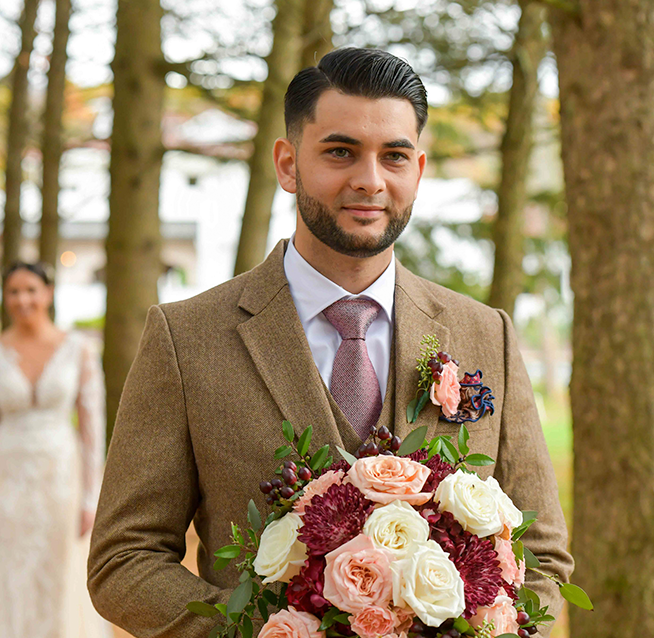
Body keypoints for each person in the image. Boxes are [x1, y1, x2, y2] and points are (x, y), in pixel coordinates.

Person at [88, 48, 573, 637]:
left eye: (393, 156)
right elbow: (124, 559)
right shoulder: (186, 338)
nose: (369, 180)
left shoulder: (484, 335)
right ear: (289, 165)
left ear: (417, 170)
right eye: (340, 152)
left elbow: (541, 555)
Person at [0, 261, 108, 638]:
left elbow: (91, 432)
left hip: (60, 478)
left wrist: (90, 497)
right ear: (5, 298)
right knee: (7, 571)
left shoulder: (79, 350)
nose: (23, 299)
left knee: (58, 569)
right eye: (14, 291)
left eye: (31, 290)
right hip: (7, 478)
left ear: (48, 294)